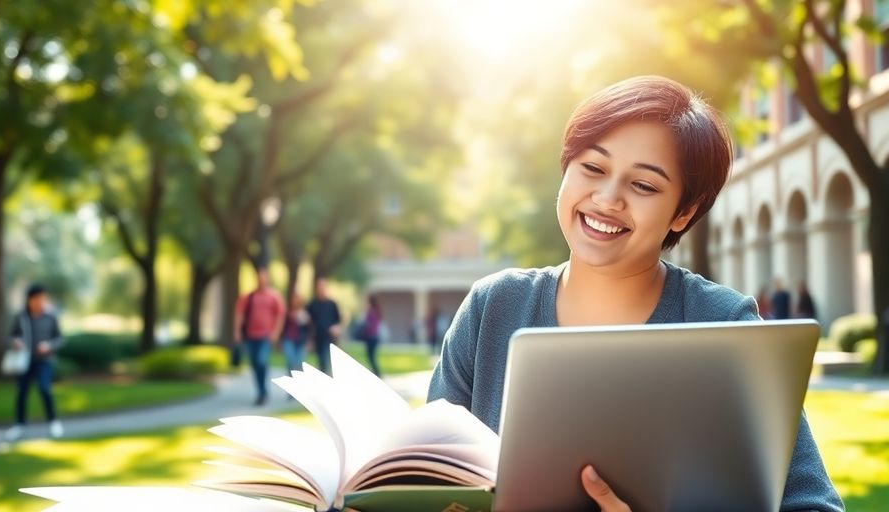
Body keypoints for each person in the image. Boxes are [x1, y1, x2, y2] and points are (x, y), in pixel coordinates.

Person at [427, 76, 843, 511]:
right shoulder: (493, 307)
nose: (607, 199)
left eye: (643, 185)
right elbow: (423, 473)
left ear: (683, 212)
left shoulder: (721, 323)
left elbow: (813, 505)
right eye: (593, 168)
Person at [4, 284, 65, 441]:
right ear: (30, 300)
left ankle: (53, 421)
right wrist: (16, 342)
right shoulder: (21, 317)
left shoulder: (50, 317)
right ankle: (19, 424)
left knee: (44, 388)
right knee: (22, 392)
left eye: (42, 298)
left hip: (44, 361)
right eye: (36, 298)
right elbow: (12, 335)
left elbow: (60, 339)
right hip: (24, 361)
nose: (39, 302)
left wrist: (49, 346)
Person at [234, 267, 286, 406]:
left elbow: (280, 315)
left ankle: (263, 392)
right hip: (251, 336)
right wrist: (237, 333)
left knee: (261, 361)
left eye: (264, 278)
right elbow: (239, 315)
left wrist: (276, 333)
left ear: (267, 279)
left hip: (265, 336)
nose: (261, 280)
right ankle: (261, 392)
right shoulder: (249, 297)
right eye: (259, 278)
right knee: (255, 364)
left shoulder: (274, 296)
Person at [306, 277, 341, 375]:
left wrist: (336, 328)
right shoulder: (312, 304)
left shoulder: (332, 304)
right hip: (318, 338)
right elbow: (308, 322)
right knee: (321, 361)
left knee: (326, 361)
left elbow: (338, 321)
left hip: (329, 338)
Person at [281, 293, 310, 375]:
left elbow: (308, 328)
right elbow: (282, 327)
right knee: (290, 360)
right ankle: (290, 377)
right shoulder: (287, 312)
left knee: (299, 362)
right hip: (289, 339)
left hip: (301, 341)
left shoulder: (304, 313)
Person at [360, 295, 383, 377]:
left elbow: (369, 325)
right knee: (372, 356)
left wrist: (365, 331)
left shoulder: (371, 312)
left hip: (371, 337)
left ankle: (377, 373)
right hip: (375, 337)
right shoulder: (376, 311)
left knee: (371, 356)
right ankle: (376, 373)